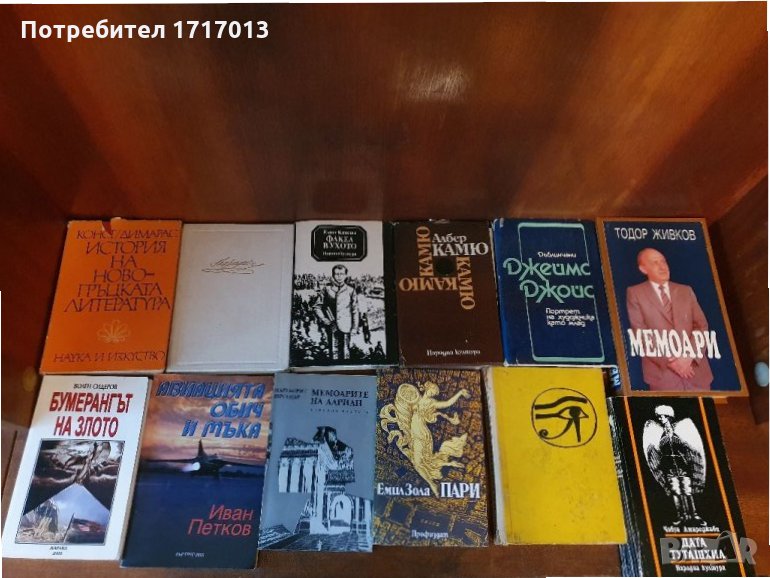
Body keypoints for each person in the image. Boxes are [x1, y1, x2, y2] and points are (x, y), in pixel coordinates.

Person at [626, 248, 713, 391]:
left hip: (696, 373)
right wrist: (672, 362)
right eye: (655, 263)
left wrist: (688, 356)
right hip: (663, 378)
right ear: (643, 269)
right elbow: (640, 334)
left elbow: (701, 326)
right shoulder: (635, 293)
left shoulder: (685, 290)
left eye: (663, 261)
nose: (662, 266)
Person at [314, 265, 359, 360]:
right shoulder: (326, 289)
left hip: (346, 326)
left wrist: (355, 327)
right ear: (333, 275)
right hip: (331, 326)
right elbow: (317, 307)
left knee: (346, 351)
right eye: (337, 274)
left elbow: (355, 310)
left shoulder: (351, 290)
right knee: (333, 352)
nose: (339, 276)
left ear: (346, 275)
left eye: (341, 274)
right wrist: (323, 318)